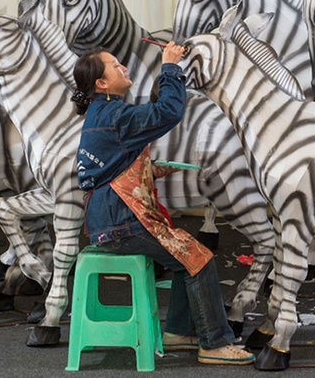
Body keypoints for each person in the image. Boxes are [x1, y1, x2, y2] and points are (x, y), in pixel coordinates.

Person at [72, 42, 254, 366]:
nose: (122, 67)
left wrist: (152, 169)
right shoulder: (114, 114)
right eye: (115, 66)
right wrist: (170, 66)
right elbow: (168, 112)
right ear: (101, 83)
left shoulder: (102, 113)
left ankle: (180, 332)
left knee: (187, 253)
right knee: (197, 256)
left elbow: (109, 167)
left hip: (109, 218)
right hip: (120, 222)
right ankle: (214, 344)